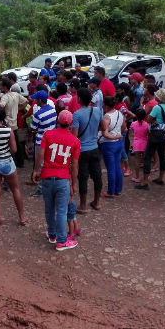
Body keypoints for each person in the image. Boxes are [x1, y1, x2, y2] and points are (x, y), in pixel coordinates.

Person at [33, 110, 81, 251]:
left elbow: (41, 155)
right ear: (70, 124)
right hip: (63, 179)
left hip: (47, 177)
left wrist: (36, 171)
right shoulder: (75, 141)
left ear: (57, 121)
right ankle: (61, 241)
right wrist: (74, 183)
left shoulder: (48, 134)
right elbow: (75, 165)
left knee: (49, 209)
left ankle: (52, 234)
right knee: (61, 211)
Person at [71, 88, 103, 212]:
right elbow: (103, 126)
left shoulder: (77, 114)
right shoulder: (96, 110)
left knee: (83, 178)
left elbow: (74, 137)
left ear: (79, 99)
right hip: (95, 147)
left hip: (82, 150)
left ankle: (83, 205)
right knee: (97, 176)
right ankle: (96, 202)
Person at [136, 89, 165, 190]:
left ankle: (145, 181)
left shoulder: (157, 107)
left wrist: (153, 120)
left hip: (155, 134)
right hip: (164, 134)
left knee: (147, 156)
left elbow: (148, 119)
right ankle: (160, 178)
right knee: (162, 155)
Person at [29, 90, 58, 192]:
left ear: (40, 100)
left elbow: (32, 128)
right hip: (52, 140)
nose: (35, 101)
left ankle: (41, 188)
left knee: (40, 163)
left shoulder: (38, 114)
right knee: (49, 163)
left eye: (36, 99)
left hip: (41, 141)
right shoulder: (53, 110)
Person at [0, 78, 28, 168]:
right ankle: (20, 162)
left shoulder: (5, 97)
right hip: (15, 123)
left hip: (7, 123)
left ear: (4, 87)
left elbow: (1, 107)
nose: (0, 86)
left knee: (7, 144)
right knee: (17, 143)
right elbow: (26, 101)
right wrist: (19, 109)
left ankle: (11, 162)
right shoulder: (16, 94)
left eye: (1, 85)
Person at [99, 96, 125, 197]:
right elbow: (124, 128)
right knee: (117, 166)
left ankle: (111, 191)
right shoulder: (120, 113)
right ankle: (118, 189)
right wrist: (118, 135)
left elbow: (105, 134)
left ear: (106, 105)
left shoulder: (106, 117)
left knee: (111, 168)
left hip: (109, 144)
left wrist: (115, 136)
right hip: (118, 143)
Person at [129, 108, 149, 183]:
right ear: (144, 116)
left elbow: (131, 134)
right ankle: (146, 176)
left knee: (137, 161)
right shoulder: (147, 124)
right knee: (145, 161)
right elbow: (148, 134)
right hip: (145, 143)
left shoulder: (133, 124)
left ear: (136, 116)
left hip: (137, 144)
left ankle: (137, 177)